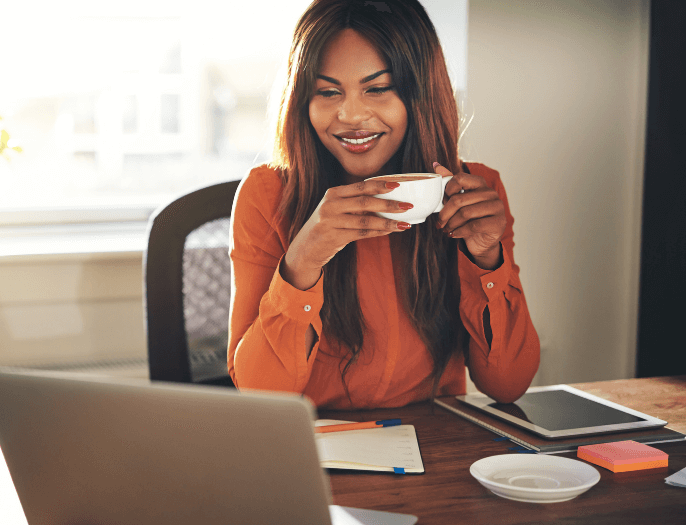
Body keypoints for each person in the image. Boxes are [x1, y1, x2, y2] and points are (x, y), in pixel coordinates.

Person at [226, 0, 540, 409]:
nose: (351, 114)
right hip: (316, 451)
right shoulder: (266, 196)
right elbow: (258, 396)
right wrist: (302, 262)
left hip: (432, 450)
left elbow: (508, 384)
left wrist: (486, 258)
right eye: (327, 91)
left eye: (377, 88)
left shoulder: (473, 193)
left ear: (421, 94)